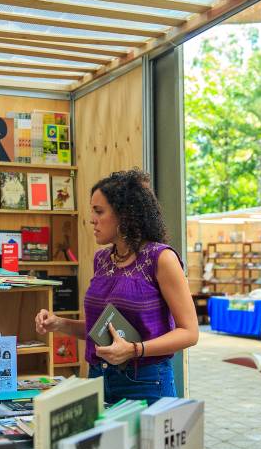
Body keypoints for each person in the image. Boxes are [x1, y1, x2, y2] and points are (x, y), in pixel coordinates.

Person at [36, 169, 198, 405]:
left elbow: (190, 333)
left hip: (146, 382)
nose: (92, 219)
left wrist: (134, 349)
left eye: (99, 211)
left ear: (125, 215)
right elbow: (103, 331)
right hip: (98, 377)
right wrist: (60, 323)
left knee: (146, 444)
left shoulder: (160, 258)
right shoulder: (101, 259)